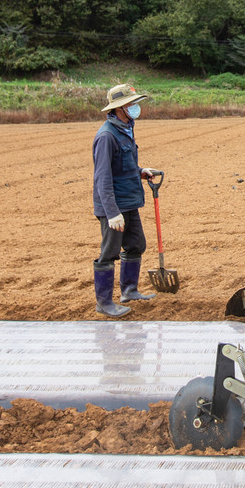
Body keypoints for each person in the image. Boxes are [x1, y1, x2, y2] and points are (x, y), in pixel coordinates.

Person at [91, 83, 160, 318]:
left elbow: (122, 165)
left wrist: (140, 171)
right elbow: (102, 178)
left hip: (129, 202)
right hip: (114, 206)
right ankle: (104, 303)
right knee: (109, 252)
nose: (136, 107)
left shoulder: (126, 129)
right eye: (132, 104)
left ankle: (129, 290)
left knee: (136, 245)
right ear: (120, 107)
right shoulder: (106, 136)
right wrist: (111, 212)